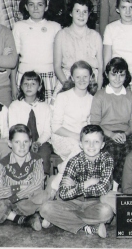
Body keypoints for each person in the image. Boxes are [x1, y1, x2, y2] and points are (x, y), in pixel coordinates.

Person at [0, 124, 51, 231]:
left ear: (31, 142)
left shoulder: (36, 160)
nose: (22, 146)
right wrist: (17, 187)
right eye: (17, 142)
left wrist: (14, 197)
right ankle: (20, 219)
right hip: (7, 198)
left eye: (25, 142)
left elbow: (36, 185)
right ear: (10, 143)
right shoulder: (3, 163)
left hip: (24, 202)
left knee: (44, 198)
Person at [40, 125, 114, 238]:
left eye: (96, 142)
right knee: (46, 208)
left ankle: (63, 220)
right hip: (72, 202)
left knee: (106, 211)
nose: (91, 146)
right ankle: (88, 226)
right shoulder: (74, 161)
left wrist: (75, 187)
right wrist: (87, 183)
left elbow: (103, 188)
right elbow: (64, 193)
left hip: (94, 202)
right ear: (80, 144)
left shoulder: (107, 159)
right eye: (87, 141)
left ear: (102, 144)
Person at [90, 57, 132, 191]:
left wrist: (125, 134)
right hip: (105, 133)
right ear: (106, 74)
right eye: (113, 74)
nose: (117, 79)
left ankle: (121, 187)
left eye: (121, 75)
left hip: (125, 133)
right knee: (111, 151)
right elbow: (95, 123)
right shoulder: (100, 96)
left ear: (126, 75)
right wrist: (111, 134)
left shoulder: (131, 96)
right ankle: (108, 186)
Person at [50, 61, 95, 191]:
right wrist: (76, 136)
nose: (82, 80)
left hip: (81, 139)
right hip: (62, 136)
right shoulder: (63, 97)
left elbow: (90, 124)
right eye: (78, 77)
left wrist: (82, 137)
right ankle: (61, 175)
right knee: (81, 147)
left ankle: (63, 172)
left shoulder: (92, 99)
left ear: (91, 77)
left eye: (85, 76)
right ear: (72, 78)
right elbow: (56, 127)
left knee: (86, 147)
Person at [12, 0, 61, 103]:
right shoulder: (19, 26)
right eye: (31, 4)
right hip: (25, 77)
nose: (35, 8)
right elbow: (14, 58)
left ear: (46, 7)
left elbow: (59, 58)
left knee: (48, 113)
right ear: (26, 7)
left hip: (49, 77)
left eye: (40, 5)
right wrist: (14, 84)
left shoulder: (55, 27)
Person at [53, 0, 103, 100]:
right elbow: (57, 66)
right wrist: (68, 87)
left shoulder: (95, 35)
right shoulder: (61, 34)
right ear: (71, 13)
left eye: (85, 12)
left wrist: (97, 90)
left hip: (91, 84)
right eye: (77, 11)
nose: (81, 15)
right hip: (67, 82)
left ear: (89, 14)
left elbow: (101, 67)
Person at [9, 71, 53, 175]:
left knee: (43, 154)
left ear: (39, 87)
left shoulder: (45, 107)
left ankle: (40, 183)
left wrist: (38, 142)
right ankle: (22, 183)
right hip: (20, 142)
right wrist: (25, 143)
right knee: (19, 156)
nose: (29, 87)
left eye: (33, 84)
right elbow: (13, 129)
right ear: (21, 87)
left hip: (41, 142)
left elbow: (47, 131)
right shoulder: (14, 106)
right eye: (26, 84)